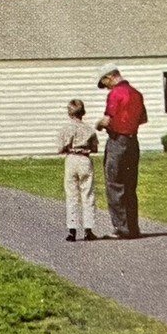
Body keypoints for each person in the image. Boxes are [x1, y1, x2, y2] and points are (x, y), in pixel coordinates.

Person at [95, 63, 148, 239]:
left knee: (115, 183)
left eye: (105, 83)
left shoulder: (114, 94)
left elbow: (107, 121)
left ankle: (121, 228)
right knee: (130, 185)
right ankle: (133, 227)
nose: (106, 88)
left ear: (109, 77)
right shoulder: (137, 94)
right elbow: (142, 119)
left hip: (117, 141)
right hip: (133, 142)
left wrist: (98, 125)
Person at [57, 99, 99, 242]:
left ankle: (72, 230)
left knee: (72, 195)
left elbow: (60, 148)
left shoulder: (65, 129)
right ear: (83, 112)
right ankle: (88, 230)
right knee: (88, 194)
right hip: (85, 159)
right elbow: (95, 148)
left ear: (69, 113)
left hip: (71, 160)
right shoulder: (89, 130)